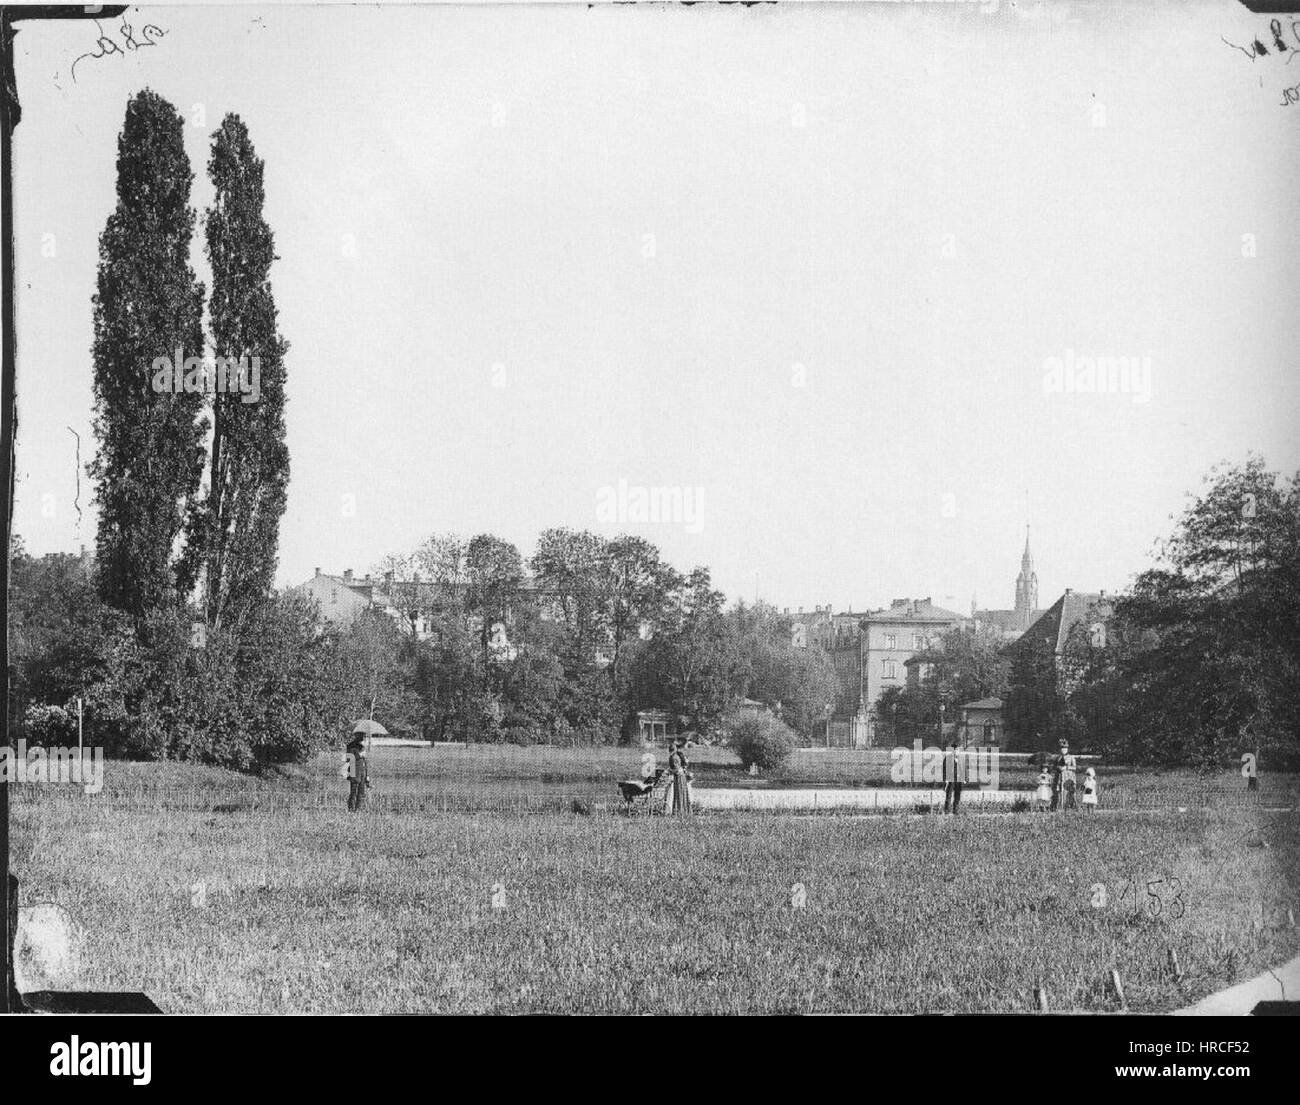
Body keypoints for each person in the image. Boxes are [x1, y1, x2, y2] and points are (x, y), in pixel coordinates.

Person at [346, 736, 372, 811]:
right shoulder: (350, 746)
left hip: (362, 772)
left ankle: (358, 809)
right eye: (362, 737)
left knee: (361, 792)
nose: (363, 739)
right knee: (353, 792)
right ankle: (351, 809)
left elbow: (365, 762)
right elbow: (349, 758)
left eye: (364, 738)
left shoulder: (362, 747)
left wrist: (367, 775)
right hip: (354, 771)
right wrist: (359, 755)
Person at [668, 738, 692, 815]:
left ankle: (679, 810)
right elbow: (682, 766)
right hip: (682, 776)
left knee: (678, 793)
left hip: (678, 777)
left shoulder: (673, 757)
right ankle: (684, 810)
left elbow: (676, 769)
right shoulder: (679, 755)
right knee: (682, 793)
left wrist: (669, 771)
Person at [942, 739, 964, 815]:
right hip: (950, 779)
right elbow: (944, 769)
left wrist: (964, 778)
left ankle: (956, 811)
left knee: (957, 796)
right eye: (956, 750)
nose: (957, 751)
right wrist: (945, 779)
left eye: (958, 750)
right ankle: (947, 811)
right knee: (949, 796)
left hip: (959, 780)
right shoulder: (947, 758)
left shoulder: (961, 758)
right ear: (953, 750)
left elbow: (964, 769)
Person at [1059, 742, 1078, 811]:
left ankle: (1074, 806)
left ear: (1067, 749)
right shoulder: (1059, 758)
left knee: (1072, 792)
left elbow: (1074, 767)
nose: (1063, 750)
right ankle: (1063, 806)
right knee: (1063, 791)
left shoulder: (1071, 757)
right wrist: (1060, 768)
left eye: (1065, 749)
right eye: (1062, 749)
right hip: (1062, 776)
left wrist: (1066, 767)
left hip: (1070, 776)